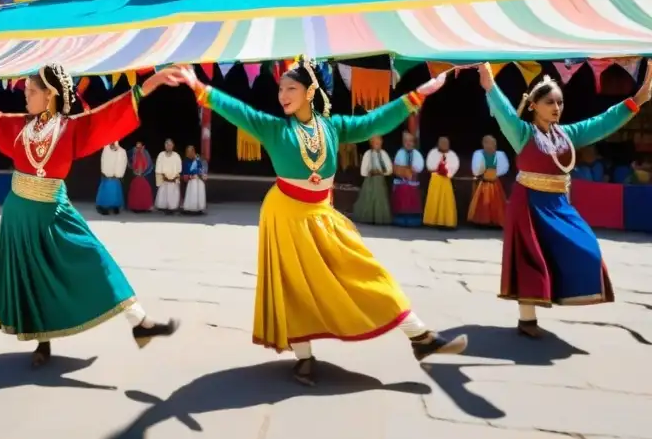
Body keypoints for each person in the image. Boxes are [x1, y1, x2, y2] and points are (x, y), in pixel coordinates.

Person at [164, 59, 467, 385]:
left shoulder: (333, 126)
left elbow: (376, 122)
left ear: (310, 91)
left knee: (365, 271)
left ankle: (420, 337)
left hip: (322, 214)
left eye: (291, 88)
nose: (283, 94)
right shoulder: (274, 128)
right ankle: (304, 358)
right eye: (280, 89)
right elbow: (238, 110)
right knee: (294, 288)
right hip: (285, 216)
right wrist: (199, 87)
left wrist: (416, 95)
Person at [0, 64, 179, 367]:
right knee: (33, 278)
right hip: (19, 214)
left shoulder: (72, 128)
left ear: (50, 95)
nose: (25, 96)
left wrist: (149, 85)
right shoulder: (18, 126)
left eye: (31, 92)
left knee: (96, 258)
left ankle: (140, 322)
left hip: (54, 209)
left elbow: (107, 116)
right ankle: (43, 344)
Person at [477, 63, 652, 338]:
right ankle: (527, 320)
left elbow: (601, 123)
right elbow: (505, 112)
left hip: (558, 204)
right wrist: (490, 85)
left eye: (560, 102)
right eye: (550, 102)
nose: (557, 107)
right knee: (530, 259)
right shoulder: (522, 133)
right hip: (528, 202)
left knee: (587, 247)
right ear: (534, 105)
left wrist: (637, 100)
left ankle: (567, 293)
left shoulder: (567, 136)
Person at [468, 135, 510, 227]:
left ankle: (496, 222)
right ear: (483, 144)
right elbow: (476, 169)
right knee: (482, 202)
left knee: (497, 203)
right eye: (487, 143)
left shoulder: (500, 154)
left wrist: (494, 174)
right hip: (483, 182)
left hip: (495, 182)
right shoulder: (479, 154)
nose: (490, 145)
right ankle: (482, 222)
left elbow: (504, 167)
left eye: (493, 143)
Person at [352, 135, 392, 225]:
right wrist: (370, 172)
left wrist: (381, 172)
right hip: (370, 181)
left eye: (378, 142)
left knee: (380, 198)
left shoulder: (383, 154)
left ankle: (380, 218)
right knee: (368, 197)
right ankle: (368, 218)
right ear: (371, 144)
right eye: (375, 143)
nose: (377, 144)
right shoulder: (368, 154)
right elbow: (363, 171)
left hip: (380, 180)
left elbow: (389, 169)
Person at [423, 136, 459, 229]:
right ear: (438, 143)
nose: (444, 145)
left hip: (446, 180)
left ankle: (447, 222)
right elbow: (429, 166)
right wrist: (438, 168)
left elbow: (455, 166)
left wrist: (446, 171)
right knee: (434, 200)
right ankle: (432, 221)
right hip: (435, 180)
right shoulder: (433, 153)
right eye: (442, 143)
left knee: (447, 201)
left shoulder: (452, 155)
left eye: (446, 143)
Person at [392, 131, 424, 227]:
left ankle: (413, 220)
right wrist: (403, 171)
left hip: (412, 181)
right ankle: (400, 219)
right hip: (402, 181)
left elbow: (420, 166)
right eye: (406, 141)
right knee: (402, 194)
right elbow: (396, 166)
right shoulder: (400, 153)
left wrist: (414, 169)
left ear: (414, 143)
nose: (408, 143)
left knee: (412, 198)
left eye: (410, 141)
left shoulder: (417, 154)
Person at [97, 141, 127, 215]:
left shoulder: (121, 151)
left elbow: (123, 162)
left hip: (115, 177)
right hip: (107, 176)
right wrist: (104, 171)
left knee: (115, 193)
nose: (112, 145)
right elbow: (103, 160)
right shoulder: (106, 150)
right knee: (106, 192)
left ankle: (115, 207)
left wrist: (119, 173)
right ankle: (103, 207)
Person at [154, 138, 182, 213]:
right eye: (167, 144)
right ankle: (164, 208)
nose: (168, 146)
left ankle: (173, 208)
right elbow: (158, 168)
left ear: (173, 146)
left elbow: (179, 169)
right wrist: (163, 176)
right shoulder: (161, 155)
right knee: (163, 194)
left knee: (173, 194)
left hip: (173, 179)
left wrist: (174, 177)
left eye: (170, 144)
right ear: (165, 146)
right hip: (164, 179)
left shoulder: (176, 156)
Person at [127, 141, 154, 212]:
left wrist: (143, 173)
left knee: (145, 189)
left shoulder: (146, 153)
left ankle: (144, 207)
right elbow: (129, 162)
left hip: (144, 175)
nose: (138, 148)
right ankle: (136, 207)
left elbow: (149, 164)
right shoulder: (133, 153)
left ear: (142, 146)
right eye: (137, 146)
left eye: (140, 146)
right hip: (135, 175)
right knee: (135, 190)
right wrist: (134, 171)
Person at [181, 144, 207, 214]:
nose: (190, 153)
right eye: (188, 151)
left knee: (200, 184)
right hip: (190, 179)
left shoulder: (197, 160)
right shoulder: (185, 161)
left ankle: (199, 207)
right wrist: (191, 177)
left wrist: (201, 175)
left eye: (192, 151)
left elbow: (200, 169)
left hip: (198, 178)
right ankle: (191, 208)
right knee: (194, 184)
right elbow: (184, 173)